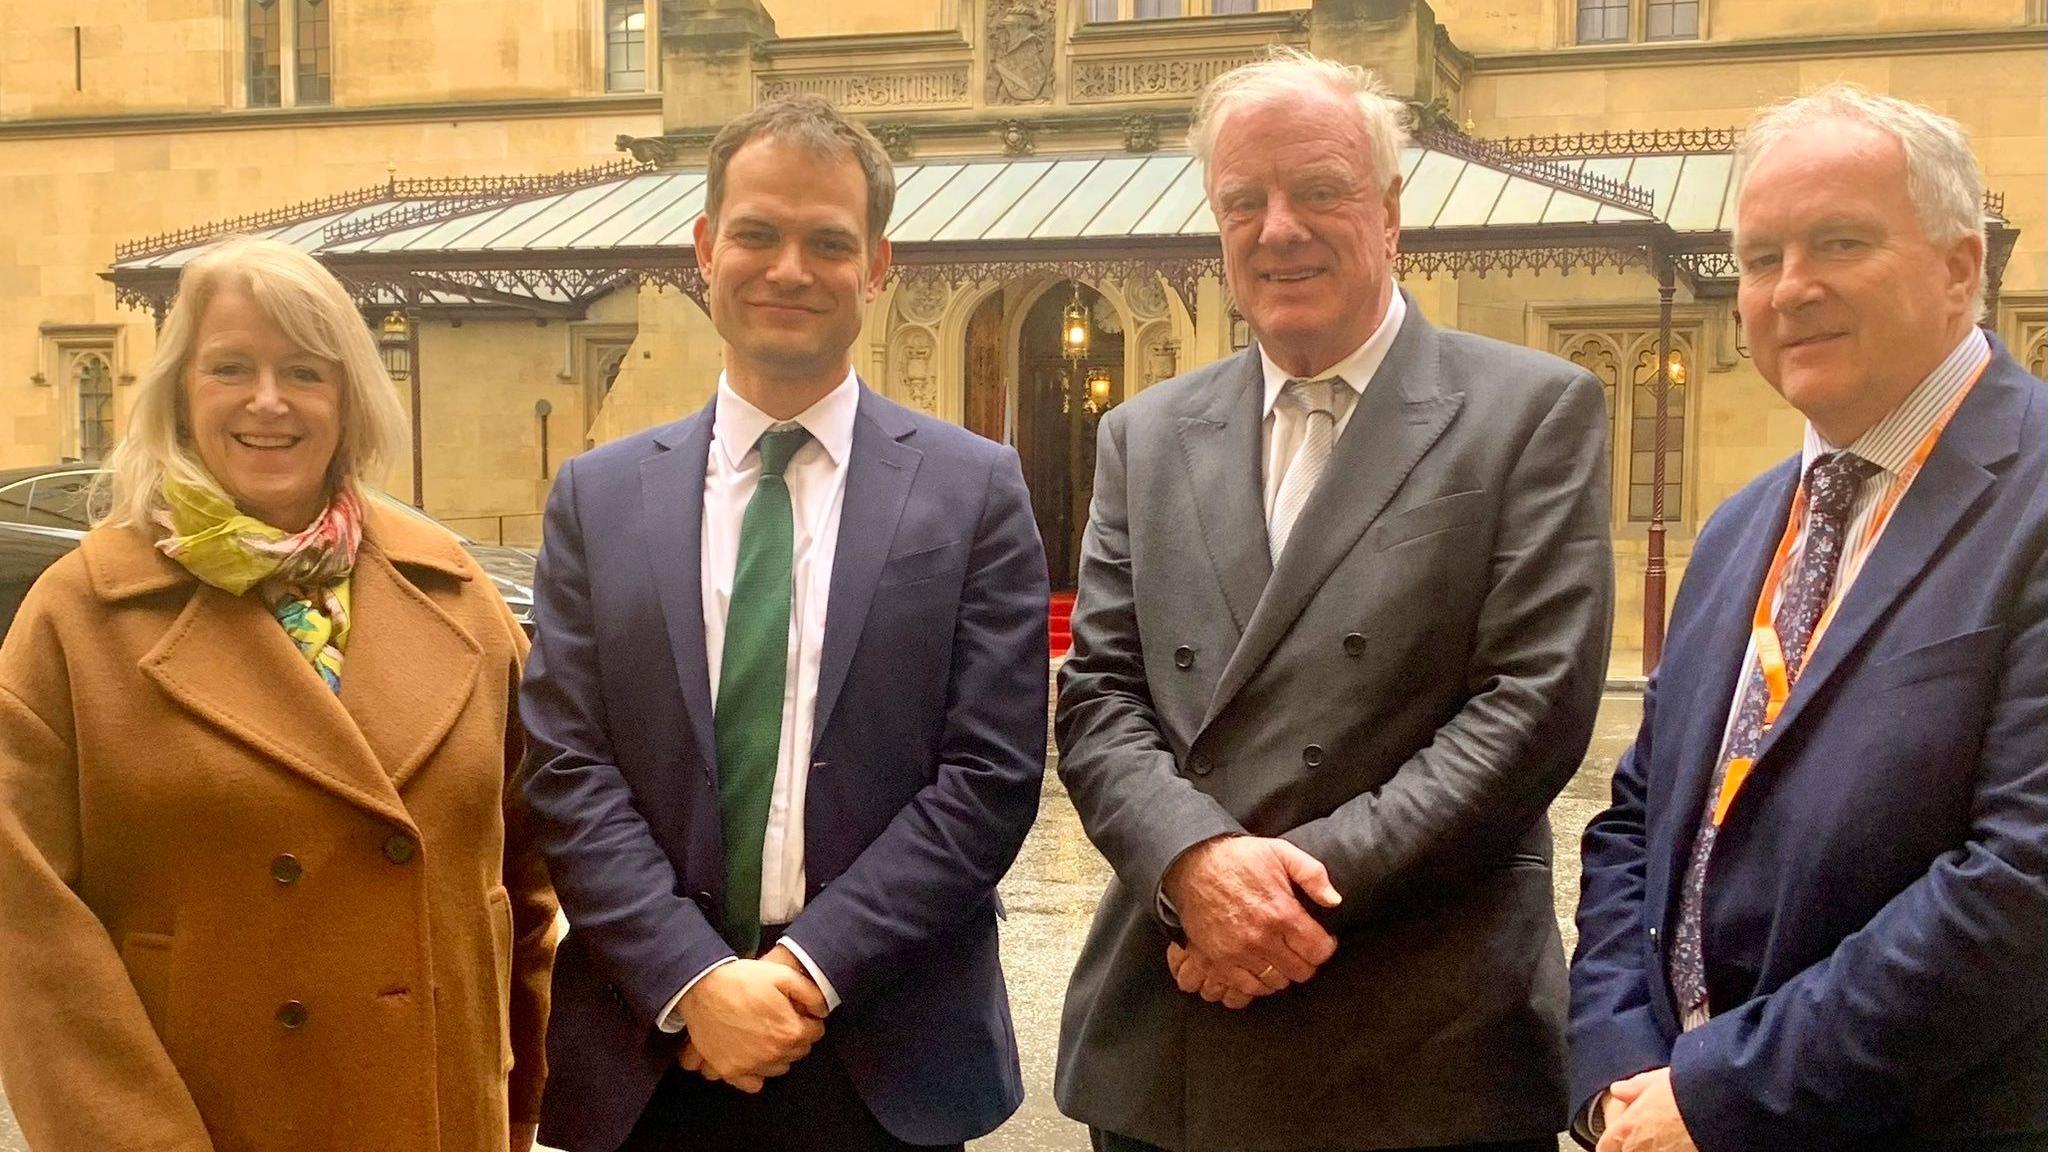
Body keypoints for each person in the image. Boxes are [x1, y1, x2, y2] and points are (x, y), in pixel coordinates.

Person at [1054, 47, 1613, 1152]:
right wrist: (1193, 867)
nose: (1278, 228)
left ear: (1389, 211)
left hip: (1420, 1042)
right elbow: (1099, 697)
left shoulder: (1530, 412)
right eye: (1242, 201)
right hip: (1176, 1044)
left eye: (1318, 190)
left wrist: (1277, 903)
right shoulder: (1144, 434)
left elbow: (1528, 708)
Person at [519, 94, 1048, 1152]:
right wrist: (693, 977)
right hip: (649, 1050)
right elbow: (566, 770)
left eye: (827, 242)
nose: (789, 269)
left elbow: (988, 777)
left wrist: (806, 971)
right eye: (757, 234)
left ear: (878, 265)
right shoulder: (597, 496)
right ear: (705, 248)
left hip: (882, 1056)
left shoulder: (974, 490)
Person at [1569, 85, 2048, 1151]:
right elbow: (1634, 821)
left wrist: (1722, 1093)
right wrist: (1614, 1067)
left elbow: (2022, 878)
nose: (1790, 289)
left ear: (1960, 267)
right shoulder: (1742, 527)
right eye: (1758, 257)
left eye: (1838, 241)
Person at [0, 236, 556, 1151]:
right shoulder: (79, 616)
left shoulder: (453, 593)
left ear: (348, 401)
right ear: (182, 393)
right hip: (210, 1124)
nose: (269, 401)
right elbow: (31, 944)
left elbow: (525, 893)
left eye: (304, 370)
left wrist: (516, 1101)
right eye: (231, 368)